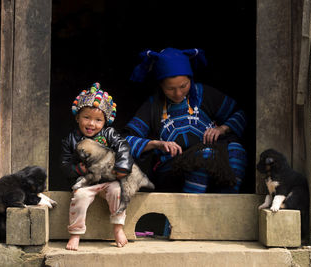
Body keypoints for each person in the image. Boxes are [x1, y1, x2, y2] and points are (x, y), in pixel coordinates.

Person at [124, 48, 247, 193]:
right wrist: (156, 144)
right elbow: (125, 140)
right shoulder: (153, 105)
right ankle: (188, 212)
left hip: (211, 158)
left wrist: (222, 128)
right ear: (161, 85)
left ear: (191, 79)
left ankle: (229, 205)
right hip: (173, 168)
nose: (178, 93)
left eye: (184, 86)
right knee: (204, 156)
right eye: (170, 88)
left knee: (236, 150)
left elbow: (240, 114)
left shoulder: (203, 94)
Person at [61, 82, 133, 250]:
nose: (91, 123)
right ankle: (75, 234)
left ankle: (118, 228)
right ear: (77, 117)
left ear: (105, 122)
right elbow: (64, 165)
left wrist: (122, 167)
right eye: (87, 117)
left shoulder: (109, 134)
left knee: (118, 192)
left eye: (98, 120)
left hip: (109, 179)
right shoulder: (70, 140)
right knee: (80, 197)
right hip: (85, 181)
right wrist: (80, 169)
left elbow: (123, 147)